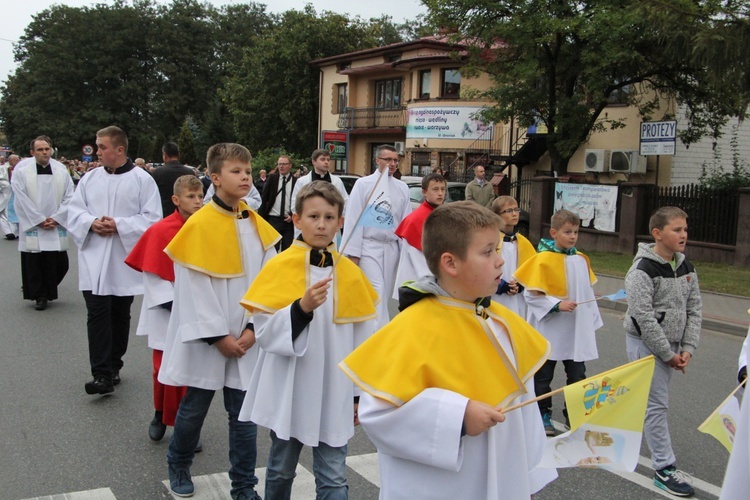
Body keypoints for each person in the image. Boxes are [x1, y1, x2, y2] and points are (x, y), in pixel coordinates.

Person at [339, 201, 556, 499]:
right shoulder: (412, 328)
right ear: (450, 263)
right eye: (487, 251)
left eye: (498, 249)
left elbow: (526, 409)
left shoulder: (504, 325)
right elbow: (377, 415)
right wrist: (458, 417)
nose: (500, 261)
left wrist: (528, 480)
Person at [239, 181, 378, 499]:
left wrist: (358, 395)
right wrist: (300, 309)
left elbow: (363, 342)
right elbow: (264, 333)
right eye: (313, 216)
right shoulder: (279, 267)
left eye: (330, 217)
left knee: (332, 478)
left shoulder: (350, 274)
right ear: (297, 219)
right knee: (280, 470)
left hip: (334, 392)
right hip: (291, 387)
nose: (321, 224)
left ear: (341, 222)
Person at [159, 143, 279, 499]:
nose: (245, 177)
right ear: (214, 178)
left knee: (242, 417)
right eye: (236, 171)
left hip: (245, 336)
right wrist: (218, 337)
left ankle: (243, 486)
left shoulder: (257, 224)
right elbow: (193, 288)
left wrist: (252, 329)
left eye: (247, 171)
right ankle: (178, 463)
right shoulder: (199, 225)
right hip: (211, 340)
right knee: (194, 408)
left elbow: (271, 282)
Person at [67, 126, 162, 395]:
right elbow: (75, 210)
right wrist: (90, 222)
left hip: (123, 260)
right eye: (97, 147)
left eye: (102, 147)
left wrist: (119, 225)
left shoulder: (142, 180)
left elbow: (152, 219)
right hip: (94, 258)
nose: (97, 152)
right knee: (96, 314)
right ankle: (101, 374)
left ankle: (114, 364)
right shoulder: (90, 178)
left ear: (120, 150)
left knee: (120, 314)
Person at [624, 206, 701, 497]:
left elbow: (695, 309)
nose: (683, 235)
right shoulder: (642, 270)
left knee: (654, 403)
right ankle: (663, 468)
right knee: (657, 405)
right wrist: (668, 355)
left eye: (684, 229)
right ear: (657, 234)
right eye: (676, 230)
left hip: (673, 346)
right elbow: (643, 317)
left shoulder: (686, 267)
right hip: (647, 344)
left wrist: (688, 348)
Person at [125, 175, 203, 442]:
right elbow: (152, 274)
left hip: (198, 310)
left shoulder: (206, 229)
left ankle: (187, 426)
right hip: (166, 311)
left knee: (192, 371)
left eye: (200, 196)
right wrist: (174, 304)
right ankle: (159, 413)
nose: (197, 202)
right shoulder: (160, 230)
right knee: (163, 369)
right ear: (176, 200)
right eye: (191, 197)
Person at [514, 209, 603, 436]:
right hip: (550, 329)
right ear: (554, 232)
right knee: (544, 376)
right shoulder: (542, 260)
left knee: (577, 375)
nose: (572, 236)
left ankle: (574, 413)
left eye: (575, 232)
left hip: (575, 330)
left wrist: (590, 320)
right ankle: (542, 413)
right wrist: (556, 304)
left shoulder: (581, 259)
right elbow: (531, 295)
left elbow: (587, 291)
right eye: (567, 232)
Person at [341, 145, 411, 329]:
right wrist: (353, 252)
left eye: (396, 160)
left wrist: (406, 252)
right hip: (368, 246)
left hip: (391, 247)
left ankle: (369, 330)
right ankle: (379, 335)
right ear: (377, 160)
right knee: (376, 291)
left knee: (385, 293)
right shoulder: (363, 184)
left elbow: (405, 221)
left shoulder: (402, 188)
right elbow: (353, 218)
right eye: (388, 160)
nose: (393, 164)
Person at [11, 137, 75, 310]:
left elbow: (70, 196)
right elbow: (20, 198)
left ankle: (46, 288)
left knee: (61, 264)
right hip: (34, 224)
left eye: (47, 149)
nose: (45, 152)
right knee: (35, 263)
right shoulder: (22, 170)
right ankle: (40, 295)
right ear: (32, 152)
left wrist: (56, 218)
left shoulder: (61, 169)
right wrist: (38, 220)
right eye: (40, 150)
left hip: (55, 223)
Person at [391, 172, 445, 299]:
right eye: (435, 189)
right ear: (424, 192)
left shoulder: (440, 213)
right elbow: (418, 258)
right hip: (418, 282)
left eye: (443, 189)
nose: (440, 193)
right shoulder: (417, 219)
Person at [490, 196, 535, 318]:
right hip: (496, 296)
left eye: (516, 209)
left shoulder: (523, 242)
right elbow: (481, 268)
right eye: (509, 211)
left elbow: (532, 270)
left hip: (518, 298)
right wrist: (501, 285)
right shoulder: (490, 241)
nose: (514, 214)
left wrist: (521, 284)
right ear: (497, 215)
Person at [259, 155, 297, 251]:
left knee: (287, 250)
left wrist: (292, 215)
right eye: (279, 164)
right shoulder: (272, 179)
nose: (281, 166)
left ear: (290, 165)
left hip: (288, 221)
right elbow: (264, 198)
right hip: (273, 219)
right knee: (272, 250)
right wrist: (261, 217)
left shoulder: (296, 181)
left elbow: (298, 201)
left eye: (284, 164)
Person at [152, 142, 194, 218]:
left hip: (164, 214)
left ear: (165, 155)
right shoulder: (189, 172)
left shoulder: (158, 173)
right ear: (178, 155)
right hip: (185, 215)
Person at [0, 155, 15, 239]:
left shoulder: (18, 169)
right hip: (4, 195)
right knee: (2, 214)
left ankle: (13, 232)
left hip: (14, 195)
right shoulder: (2, 168)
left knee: (13, 214)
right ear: (10, 160)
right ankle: (8, 232)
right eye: (15, 160)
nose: (17, 161)